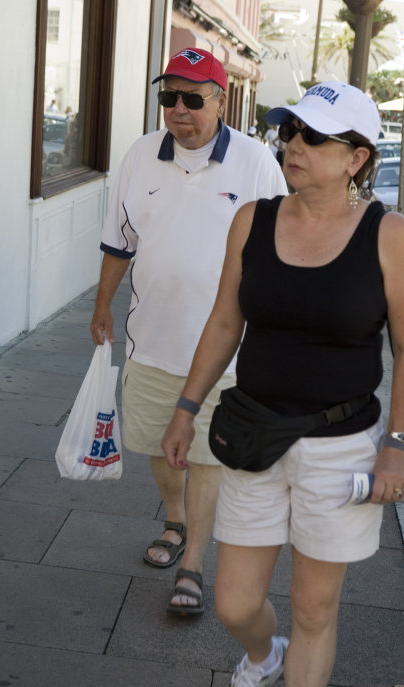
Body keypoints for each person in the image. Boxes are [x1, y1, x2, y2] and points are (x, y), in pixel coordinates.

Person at [161, 80, 404, 687]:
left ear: (356, 159)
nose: (292, 146)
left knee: (314, 606)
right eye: (289, 132)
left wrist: (396, 443)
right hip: (254, 433)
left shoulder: (390, 234)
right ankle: (259, 656)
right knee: (233, 602)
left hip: (342, 446)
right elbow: (225, 323)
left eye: (312, 138)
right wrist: (186, 406)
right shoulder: (253, 219)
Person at [90, 48, 287, 616]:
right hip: (150, 338)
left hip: (227, 351)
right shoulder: (139, 155)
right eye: (168, 97)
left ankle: (194, 561)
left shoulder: (254, 163)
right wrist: (103, 304)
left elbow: (279, 248)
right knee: (156, 443)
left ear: (220, 102)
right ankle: (174, 521)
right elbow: (117, 241)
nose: (178, 109)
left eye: (192, 98)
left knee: (206, 454)